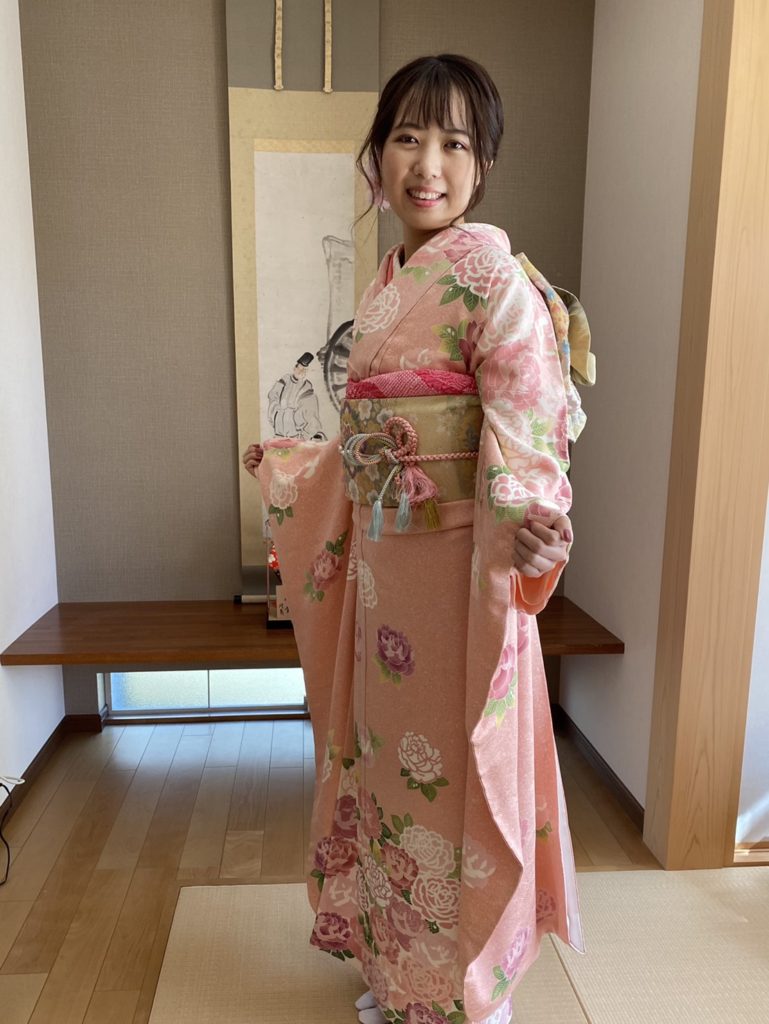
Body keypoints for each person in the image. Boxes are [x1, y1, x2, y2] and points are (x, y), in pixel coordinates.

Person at [243, 53, 593, 1024]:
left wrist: (527, 522)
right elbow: (363, 451)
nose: (426, 164)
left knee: (453, 775)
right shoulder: (389, 286)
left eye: (453, 143)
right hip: (383, 578)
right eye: (406, 137)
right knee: (388, 770)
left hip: (459, 578)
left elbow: (527, 423)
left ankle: (466, 987)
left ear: (484, 165)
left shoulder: (496, 284)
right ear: (376, 158)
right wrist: (293, 470)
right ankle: (400, 971)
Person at [266, 351, 327, 441]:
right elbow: (272, 395)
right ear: (294, 368)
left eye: (304, 370)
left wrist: (303, 436)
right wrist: (276, 414)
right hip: (278, 435)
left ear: (306, 372)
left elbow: (313, 421)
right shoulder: (284, 382)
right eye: (299, 368)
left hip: (295, 438)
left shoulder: (307, 392)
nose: (300, 371)